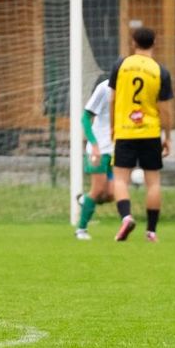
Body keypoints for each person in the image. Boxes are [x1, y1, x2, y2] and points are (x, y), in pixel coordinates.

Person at [109, 27, 173, 243]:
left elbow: (113, 100)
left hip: (125, 130)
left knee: (120, 179)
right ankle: (151, 231)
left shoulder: (120, 65)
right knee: (153, 182)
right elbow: (164, 109)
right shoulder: (160, 71)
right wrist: (168, 136)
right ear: (155, 42)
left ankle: (126, 217)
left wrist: (112, 126)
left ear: (133, 42)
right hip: (150, 131)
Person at [75, 75, 114, 240]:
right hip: (98, 149)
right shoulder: (104, 88)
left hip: (115, 150)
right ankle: (81, 230)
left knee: (111, 194)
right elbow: (85, 118)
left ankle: (85, 200)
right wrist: (95, 145)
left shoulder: (129, 90)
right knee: (98, 190)